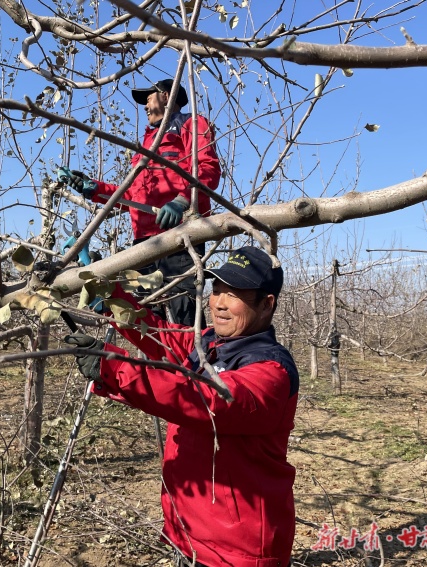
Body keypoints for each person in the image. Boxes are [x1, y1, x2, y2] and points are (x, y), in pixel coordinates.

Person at [65, 246, 299, 567]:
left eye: (233, 295)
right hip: (190, 534)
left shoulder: (271, 372)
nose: (219, 303)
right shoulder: (209, 344)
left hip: (236, 552)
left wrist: (114, 368)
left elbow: (205, 400)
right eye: (216, 290)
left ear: (266, 304)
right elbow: (159, 335)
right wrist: (110, 296)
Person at [58, 78, 222, 326]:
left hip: (179, 236)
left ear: (166, 96)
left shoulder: (192, 123)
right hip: (143, 245)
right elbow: (133, 197)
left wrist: (182, 201)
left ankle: (191, 354)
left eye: (148, 98)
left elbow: (208, 169)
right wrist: (94, 189)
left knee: (183, 316)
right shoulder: (147, 142)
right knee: (146, 319)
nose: (145, 106)